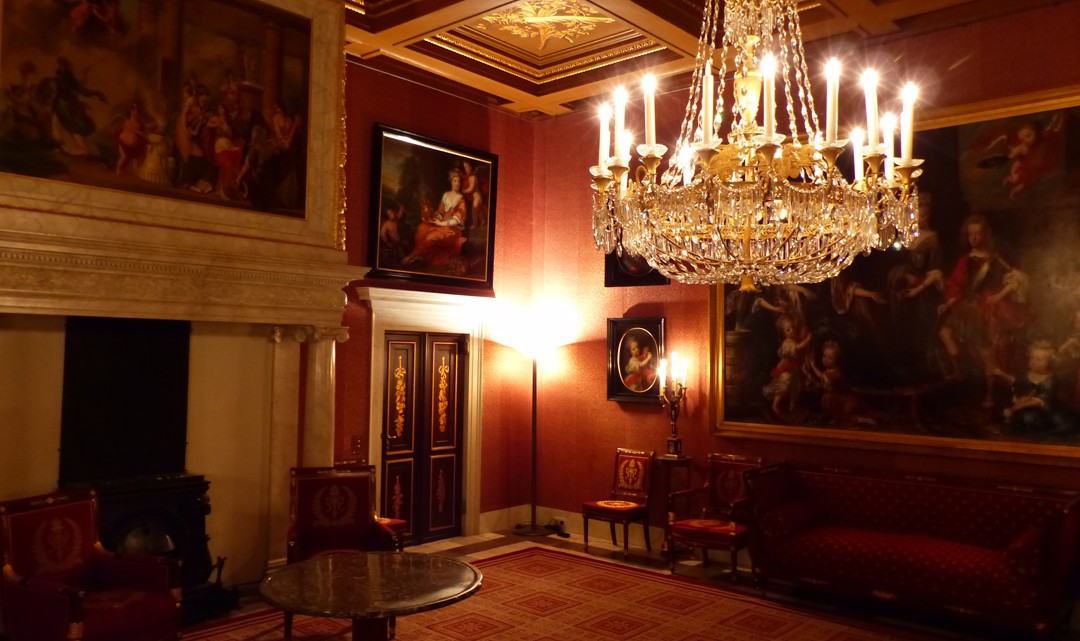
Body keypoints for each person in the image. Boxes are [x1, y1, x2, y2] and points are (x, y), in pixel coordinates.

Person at [938, 214, 1031, 407]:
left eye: (978, 234)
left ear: (985, 235)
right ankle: (959, 371)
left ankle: (993, 388)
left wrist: (998, 296)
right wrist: (948, 302)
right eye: (970, 234)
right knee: (945, 332)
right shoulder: (966, 260)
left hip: (988, 307)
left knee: (987, 348)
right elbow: (956, 285)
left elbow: (1017, 279)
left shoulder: (994, 259)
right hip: (967, 306)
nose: (974, 238)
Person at [1003, 340, 1075, 437]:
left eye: (1039, 359)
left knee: (1030, 418)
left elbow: (1039, 401)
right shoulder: (1025, 376)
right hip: (1023, 405)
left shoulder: (1050, 379)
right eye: (1032, 358)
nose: (1033, 361)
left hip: (1044, 410)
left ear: (1049, 363)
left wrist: (1014, 408)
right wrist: (1015, 398)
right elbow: (1016, 388)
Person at [401, 169, 468, 267]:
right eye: (455, 181)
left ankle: (413, 256)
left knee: (430, 237)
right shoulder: (446, 195)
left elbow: (458, 218)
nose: (457, 183)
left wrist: (441, 223)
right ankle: (420, 256)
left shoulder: (461, 199)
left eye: (459, 181)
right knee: (422, 227)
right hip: (441, 225)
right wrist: (431, 217)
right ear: (451, 182)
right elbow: (440, 212)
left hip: (452, 230)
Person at [762, 314, 812, 415]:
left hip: (793, 369)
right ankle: (775, 405)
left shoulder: (793, 339)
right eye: (788, 330)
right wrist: (808, 339)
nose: (792, 331)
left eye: (792, 328)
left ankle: (792, 406)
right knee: (784, 388)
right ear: (784, 333)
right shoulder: (787, 343)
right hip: (786, 369)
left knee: (795, 387)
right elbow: (798, 348)